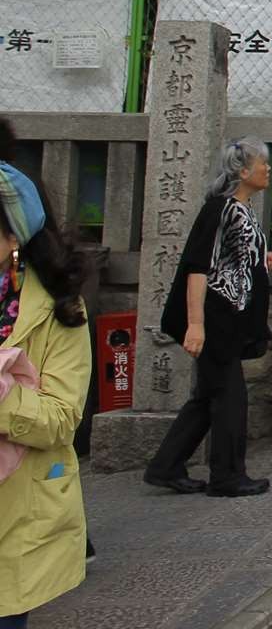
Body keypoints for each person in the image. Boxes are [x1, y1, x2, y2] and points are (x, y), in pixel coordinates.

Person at [147, 137, 272, 497]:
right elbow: (198, 267)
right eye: (261, 163)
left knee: (208, 397)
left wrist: (266, 258)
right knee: (229, 397)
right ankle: (227, 476)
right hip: (215, 317)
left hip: (231, 318)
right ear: (242, 170)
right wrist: (195, 324)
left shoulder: (243, 209)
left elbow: (236, 255)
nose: (267, 169)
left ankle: (166, 466)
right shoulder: (219, 209)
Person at [0, 151, 91, 624]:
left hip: (17, 513)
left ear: (14, 236)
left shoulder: (59, 307)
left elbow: (62, 418)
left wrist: (2, 397)